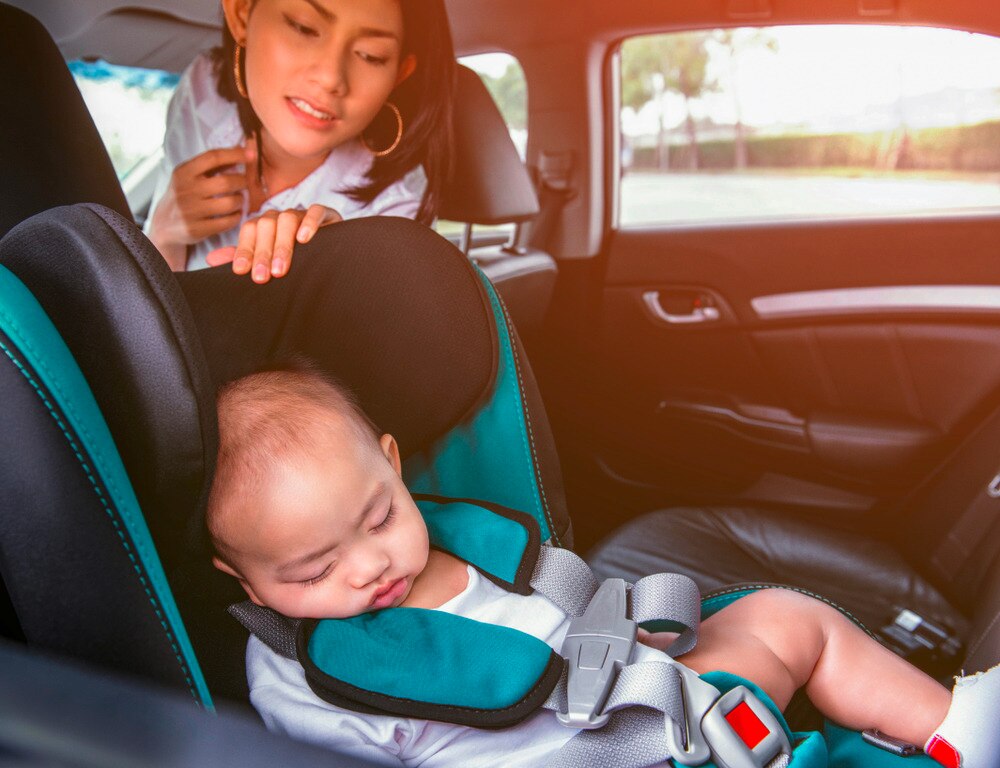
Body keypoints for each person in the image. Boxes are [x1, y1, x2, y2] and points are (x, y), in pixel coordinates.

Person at [207, 367, 1000, 768]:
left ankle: (960, 732)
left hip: (639, 705)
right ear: (241, 580)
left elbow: (573, 619)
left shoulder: (455, 540)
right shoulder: (298, 676)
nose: (369, 566)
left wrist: (633, 649)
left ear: (391, 465)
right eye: (313, 572)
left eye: (380, 516)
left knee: (788, 617)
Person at [145, 0, 455, 281]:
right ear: (241, 14)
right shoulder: (204, 89)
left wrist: (337, 280)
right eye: (303, 27)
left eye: (370, 56)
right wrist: (163, 235)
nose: (331, 78)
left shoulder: (398, 211)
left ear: (398, 75)